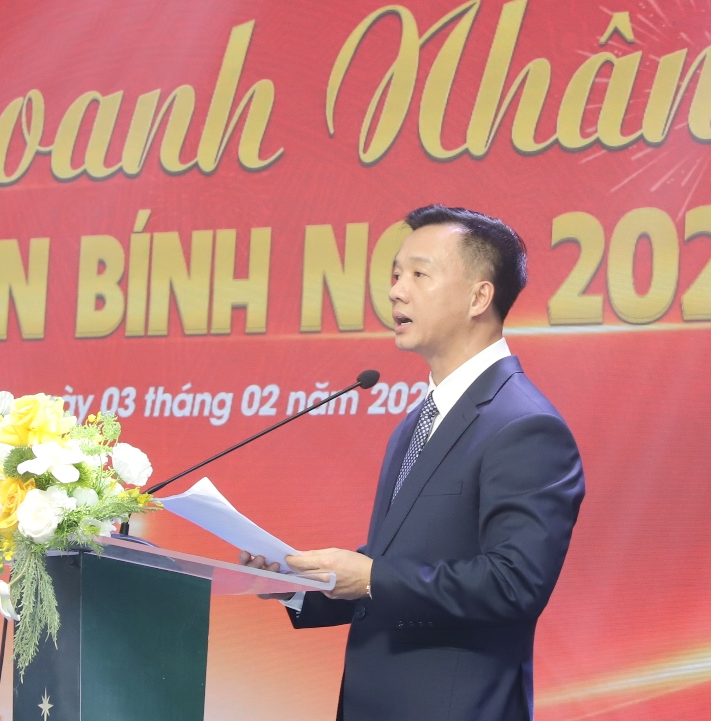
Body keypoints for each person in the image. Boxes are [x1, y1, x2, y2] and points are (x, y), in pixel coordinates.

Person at [242, 204, 585, 721]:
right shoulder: (418, 421)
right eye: (396, 275)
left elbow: (513, 584)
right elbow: (406, 559)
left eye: (419, 275)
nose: (396, 291)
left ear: (478, 297)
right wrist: (302, 586)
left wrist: (372, 578)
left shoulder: (525, 426)